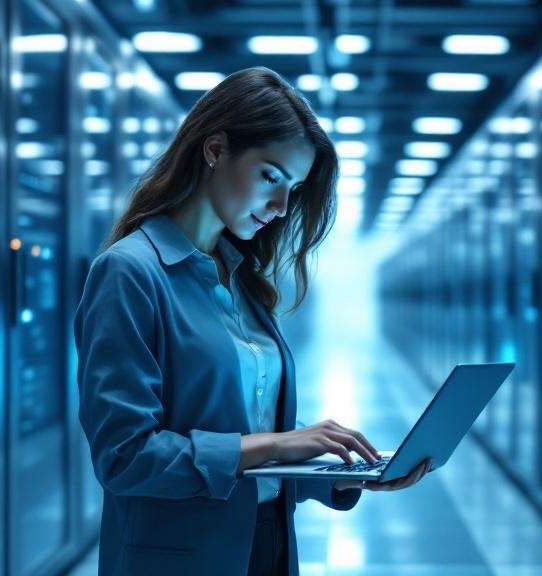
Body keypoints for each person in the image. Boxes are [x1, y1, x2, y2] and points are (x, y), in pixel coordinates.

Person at [74, 66, 432, 576]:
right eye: (271, 175)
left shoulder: (240, 276)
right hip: (181, 560)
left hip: (267, 546)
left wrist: (343, 473)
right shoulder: (130, 273)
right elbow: (125, 456)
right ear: (215, 150)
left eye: (295, 187)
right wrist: (279, 443)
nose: (283, 206)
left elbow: (248, 442)